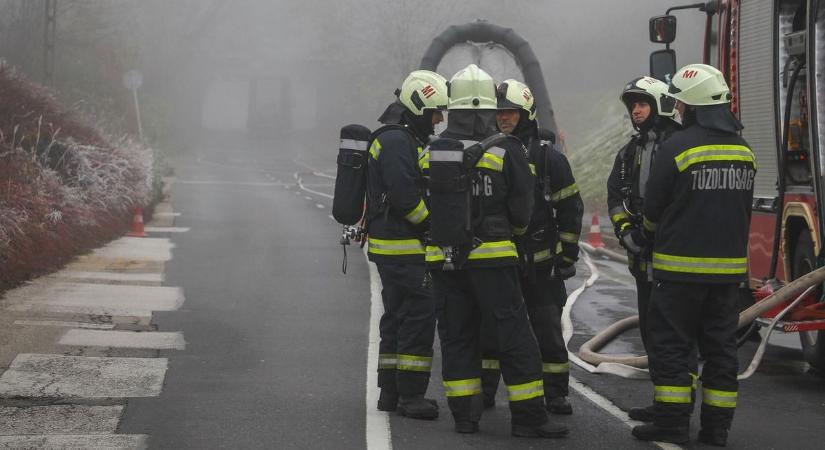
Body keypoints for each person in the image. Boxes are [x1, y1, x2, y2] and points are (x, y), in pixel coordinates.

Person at [425, 64, 568, 438]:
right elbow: (523, 209)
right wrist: (512, 234)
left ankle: (465, 417)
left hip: (443, 261)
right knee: (514, 336)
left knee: (456, 337)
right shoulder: (507, 151)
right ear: (488, 109)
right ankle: (529, 419)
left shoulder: (431, 153)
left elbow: (426, 207)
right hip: (492, 261)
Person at [632, 64, 755, 446]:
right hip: (727, 277)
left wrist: (645, 238)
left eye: (682, 104)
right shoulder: (744, 151)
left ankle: (671, 425)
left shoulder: (677, 147)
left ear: (695, 105)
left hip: (679, 274)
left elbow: (653, 209)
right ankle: (717, 428)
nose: (679, 110)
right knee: (721, 351)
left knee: (673, 346)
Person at [480, 79, 583, 415]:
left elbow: (570, 209)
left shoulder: (548, 157)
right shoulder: (488, 151)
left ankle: (555, 395)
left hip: (541, 265)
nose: (503, 118)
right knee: (492, 331)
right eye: (499, 112)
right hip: (501, 261)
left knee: (548, 332)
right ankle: (484, 393)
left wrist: (566, 256)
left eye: (510, 112)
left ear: (525, 114)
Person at [366, 69, 447, 420]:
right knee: (418, 315)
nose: (439, 119)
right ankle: (411, 396)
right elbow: (404, 196)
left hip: (392, 247)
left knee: (397, 316)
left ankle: (390, 392)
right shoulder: (399, 141)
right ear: (417, 108)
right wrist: (432, 225)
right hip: (405, 247)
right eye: (435, 112)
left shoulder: (397, 138)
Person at [606, 76, 684, 422]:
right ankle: (663, 402)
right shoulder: (630, 152)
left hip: (676, 261)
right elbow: (616, 197)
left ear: (661, 105)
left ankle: (676, 409)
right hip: (642, 260)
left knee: (675, 338)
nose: (636, 111)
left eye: (643, 104)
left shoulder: (681, 145)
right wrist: (628, 235)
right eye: (632, 106)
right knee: (654, 336)